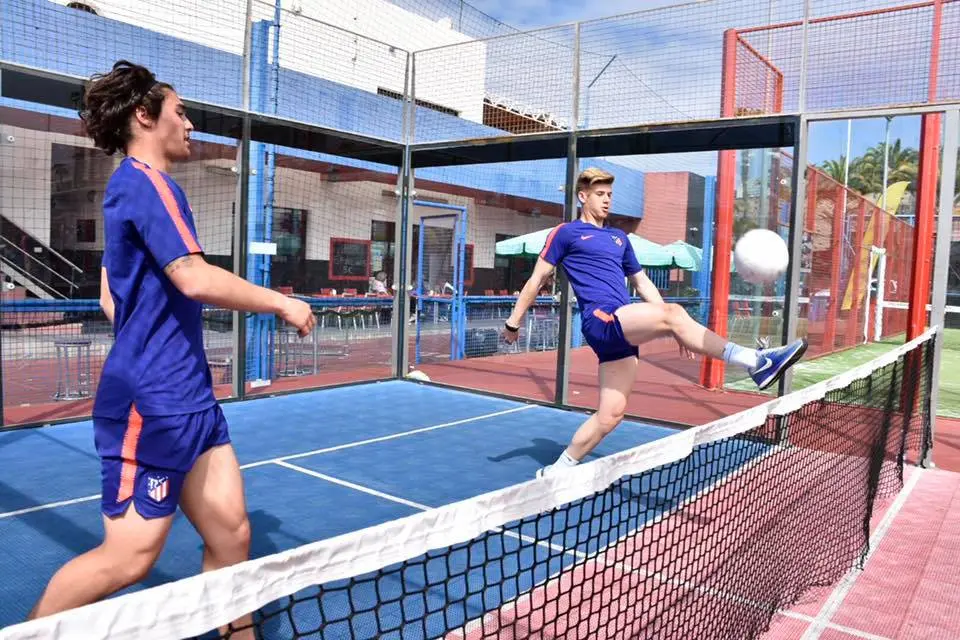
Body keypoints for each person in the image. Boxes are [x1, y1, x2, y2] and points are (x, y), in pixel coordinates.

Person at [26, 60, 315, 634]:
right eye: (181, 113)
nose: (190, 125)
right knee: (129, 559)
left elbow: (113, 292)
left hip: (192, 402)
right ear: (145, 115)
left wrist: (148, 331)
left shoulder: (140, 189)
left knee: (231, 536)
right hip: (152, 405)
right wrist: (281, 302)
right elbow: (193, 277)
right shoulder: (145, 182)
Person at [502, 168, 806, 479]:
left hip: (623, 326)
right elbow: (536, 279)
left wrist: (670, 325)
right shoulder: (565, 233)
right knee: (673, 313)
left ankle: (556, 471)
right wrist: (514, 323)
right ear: (583, 196)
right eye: (600, 194)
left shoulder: (620, 238)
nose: (606, 200)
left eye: (609, 195)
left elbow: (643, 282)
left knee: (611, 414)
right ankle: (755, 361)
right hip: (601, 319)